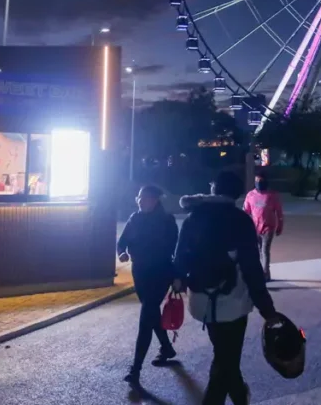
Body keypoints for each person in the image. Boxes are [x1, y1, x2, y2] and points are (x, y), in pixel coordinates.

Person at [174, 171, 277, 405]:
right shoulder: (240, 220)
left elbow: (179, 260)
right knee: (226, 359)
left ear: (215, 189)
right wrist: (267, 309)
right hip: (234, 303)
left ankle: (240, 397)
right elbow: (252, 269)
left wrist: (180, 278)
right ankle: (233, 398)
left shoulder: (193, 218)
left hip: (201, 301)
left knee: (224, 357)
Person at [117, 185, 180, 386]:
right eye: (139, 198)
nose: (140, 201)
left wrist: (178, 276)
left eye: (145, 198)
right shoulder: (134, 219)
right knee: (151, 313)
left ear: (155, 200)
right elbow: (122, 242)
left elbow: (176, 252)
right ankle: (167, 347)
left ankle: (135, 369)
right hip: (140, 273)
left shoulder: (167, 221)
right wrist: (122, 253)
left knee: (146, 316)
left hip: (161, 273)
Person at [242, 171, 284, 282]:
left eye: (261, 181)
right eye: (256, 181)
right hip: (255, 227)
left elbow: (279, 212)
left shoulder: (272, 195)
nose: (258, 183)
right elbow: (245, 211)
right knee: (258, 250)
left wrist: (280, 225)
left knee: (265, 250)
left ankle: (266, 274)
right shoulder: (250, 195)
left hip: (268, 227)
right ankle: (259, 271)